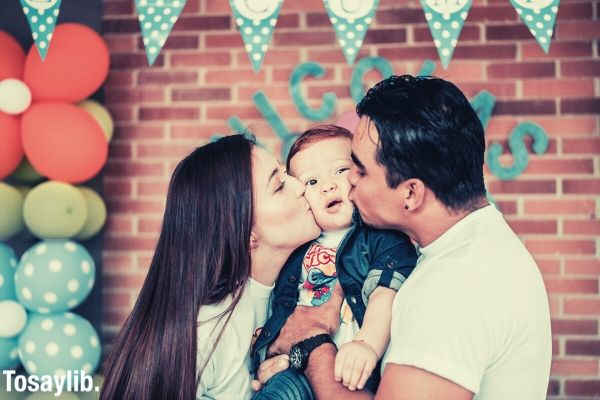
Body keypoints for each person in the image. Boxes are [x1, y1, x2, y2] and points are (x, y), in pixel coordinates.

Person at [255, 75, 552, 400]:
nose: (349, 181)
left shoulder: (451, 289)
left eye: (359, 170)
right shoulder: (479, 242)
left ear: (411, 193)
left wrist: (311, 343)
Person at [99, 134, 321, 400]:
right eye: (278, 185)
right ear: (245, 231)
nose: (300, 186)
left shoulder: (309, 278)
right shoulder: (202, 332)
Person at [250, 125, 417, 395]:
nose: (328, 186)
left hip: (354, 368)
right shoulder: (296, 247)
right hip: (296, 368)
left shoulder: (379, 238)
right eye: (311, 182)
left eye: (340, 171)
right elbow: (281, 312)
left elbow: (385, 295)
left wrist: (367, 344)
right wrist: (268, 358)